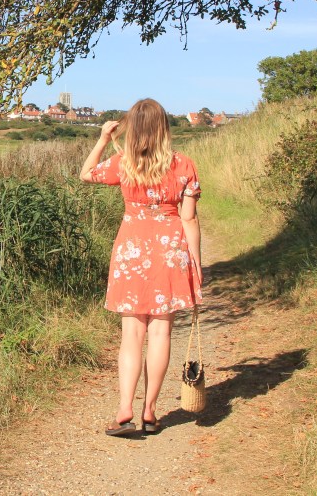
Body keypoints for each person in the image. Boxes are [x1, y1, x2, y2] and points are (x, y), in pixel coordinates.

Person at [79, 98, 203, 436]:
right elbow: (188, 219)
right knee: (161, 332)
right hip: (170, 251)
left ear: (132, 128)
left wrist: (104, 138)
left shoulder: (124, 163)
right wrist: (196, 262)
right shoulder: (184, 165)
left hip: (131, 251)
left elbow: (86, 174)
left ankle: (124, 409)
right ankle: (150, 411)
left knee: (132, 333)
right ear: (164, 127)